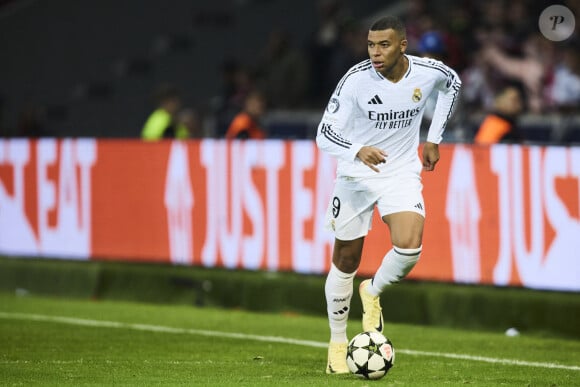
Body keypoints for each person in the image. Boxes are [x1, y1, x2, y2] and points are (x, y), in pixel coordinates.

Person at [316, 15, 461, 374]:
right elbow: (324, 133)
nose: (375, 53)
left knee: (410, 246)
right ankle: (337, 343)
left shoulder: (427, 72)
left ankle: (373, 290)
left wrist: (434, 138)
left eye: (383, 45)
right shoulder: (355, 80)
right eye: (370, 45)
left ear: (402, 45)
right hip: (355, 175)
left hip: (399, 171)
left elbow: (453, 85)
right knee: (346, 260)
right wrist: (357, 150)